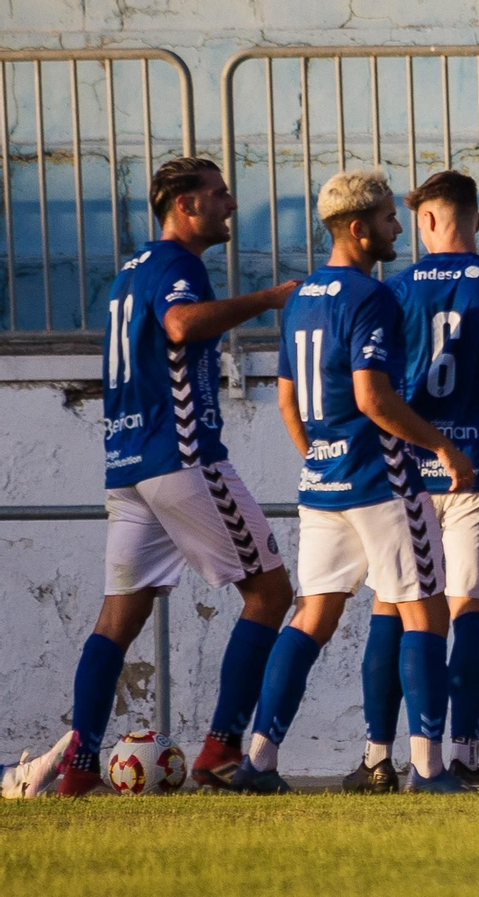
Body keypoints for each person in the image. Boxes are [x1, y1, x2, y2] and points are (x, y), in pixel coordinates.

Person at [50, 157, 301, 797]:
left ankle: (79, 767)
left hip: (128, 464)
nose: (228, 205)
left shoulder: (127, 274)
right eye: (217, 195)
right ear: (185, 206)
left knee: (115, 621)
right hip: (183, 456)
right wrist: (270, 300)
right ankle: (220, 750)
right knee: (270, 594)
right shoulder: (179, 265)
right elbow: (182, 325)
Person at [230, 168, 475, 794]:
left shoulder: (305, 296)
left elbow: (287, 400)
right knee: (425, 613)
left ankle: (259, 760)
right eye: (391, 218)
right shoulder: (373, 299)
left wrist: (319, 456)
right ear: (360, 230)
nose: (399, 227)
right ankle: (427, 769)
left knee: (313, 612)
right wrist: (442, 446)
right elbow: (373, 397)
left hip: (323, 485)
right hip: (382, 480)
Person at [340, 170, 479, 793]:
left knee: (392, 609)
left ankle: (378, 758)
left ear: (426, 220)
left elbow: (368, 392)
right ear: (476, 218)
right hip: (477, 470)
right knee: (471, 609)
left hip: (402, 474)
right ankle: (464, 758)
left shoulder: (390, 292)